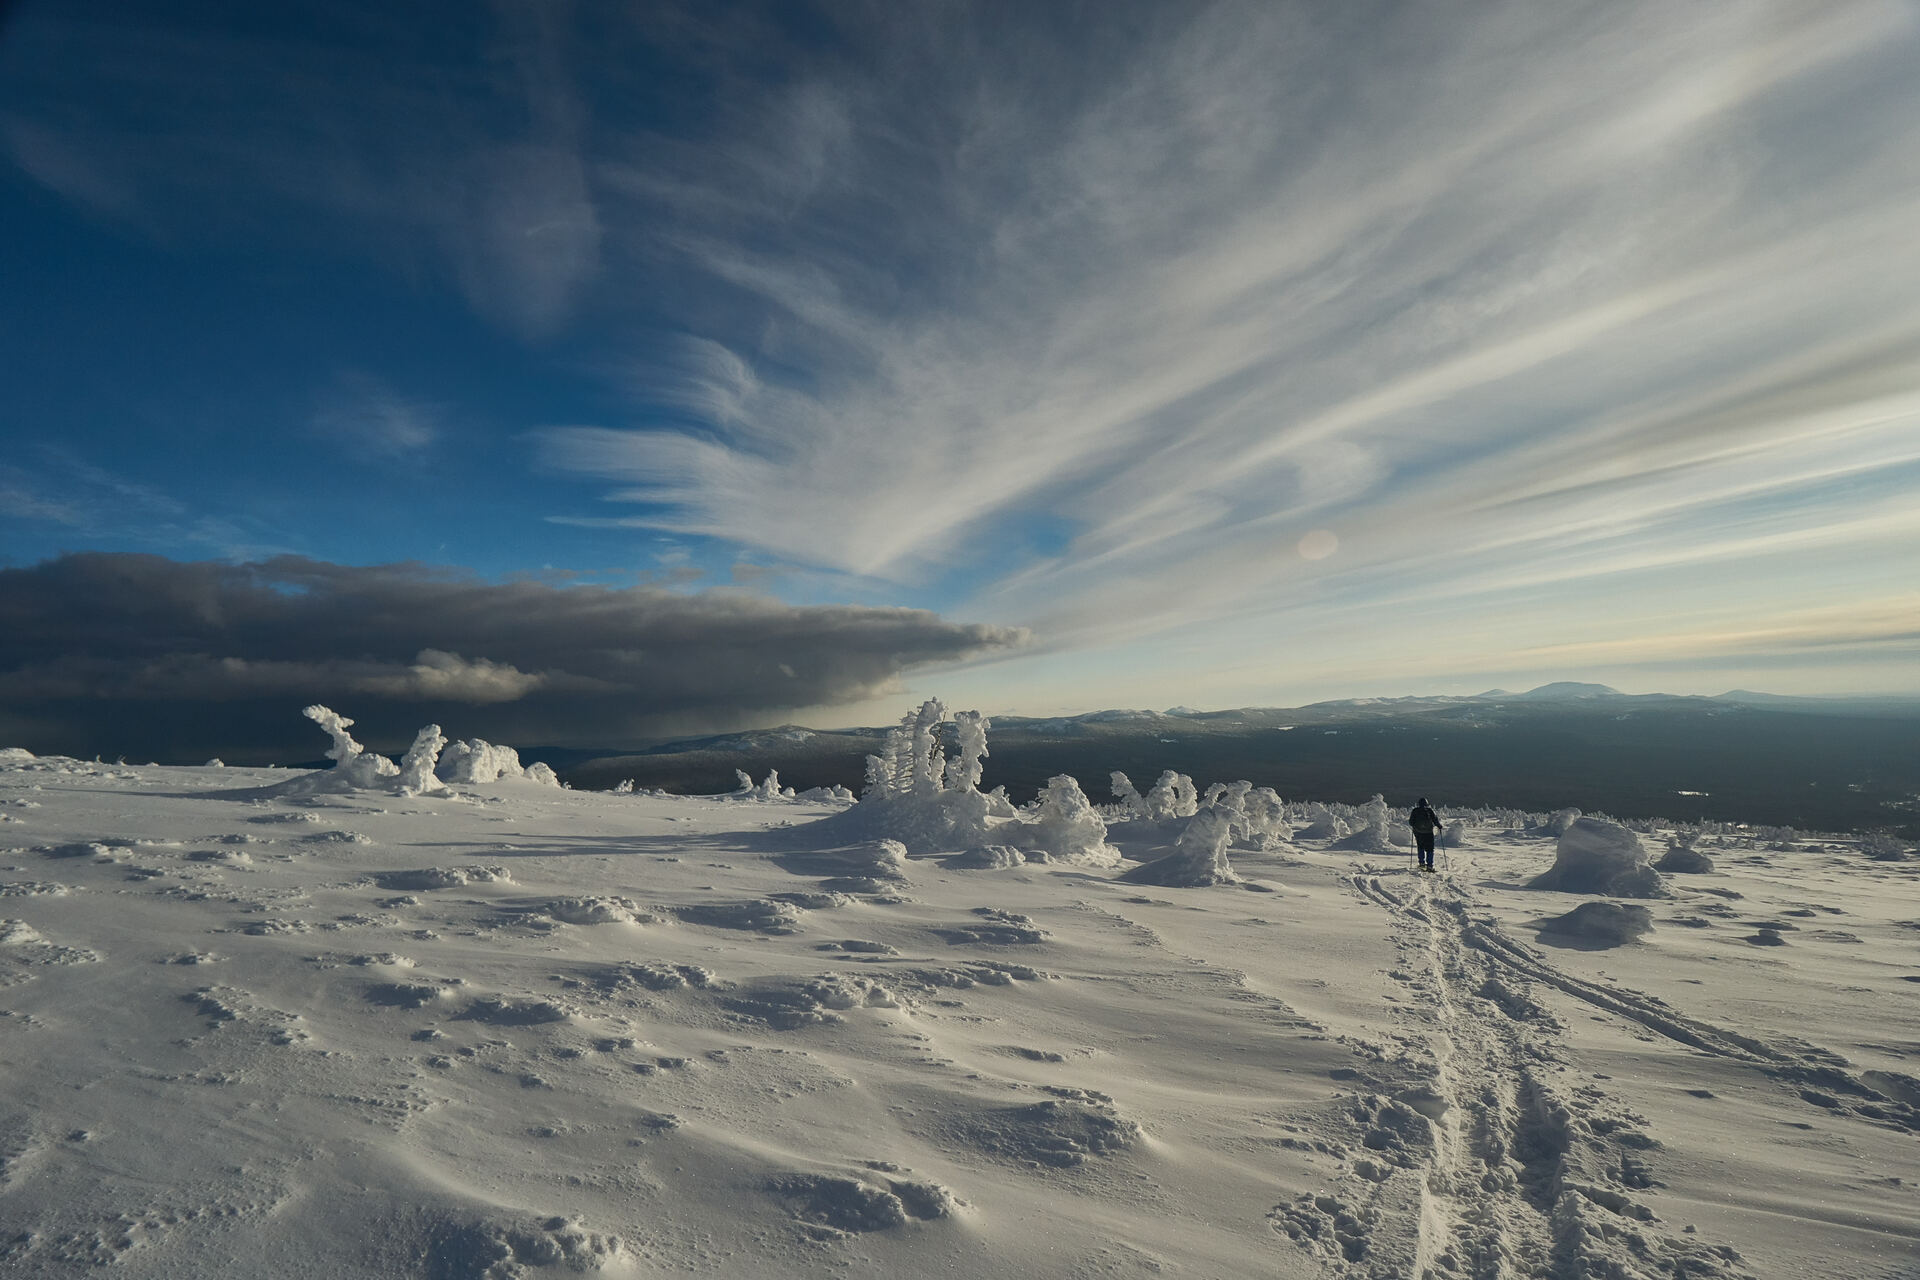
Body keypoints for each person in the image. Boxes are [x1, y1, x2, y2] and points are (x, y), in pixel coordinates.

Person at [1408, 797, 1443, 873]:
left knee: (1420, 847)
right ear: (1427, 804)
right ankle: (1430, 866)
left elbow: (1411, 822)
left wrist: (1415, 826)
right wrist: (1439, 826)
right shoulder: (1429, 810)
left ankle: (1421, 864)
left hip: (1418, 833)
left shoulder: (1415, 811)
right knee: (1430, 849)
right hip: (1428, 833)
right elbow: (1435, 820)